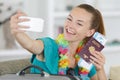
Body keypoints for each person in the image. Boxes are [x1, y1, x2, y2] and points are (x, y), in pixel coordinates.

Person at [10, 4, 107, 80]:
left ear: (89, 32)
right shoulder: (49, 45)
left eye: (79, 23)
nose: (70, 26)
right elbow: (30, 45)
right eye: (69, 19)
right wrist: (17, 32)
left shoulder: (85, 57)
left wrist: (100, 69)